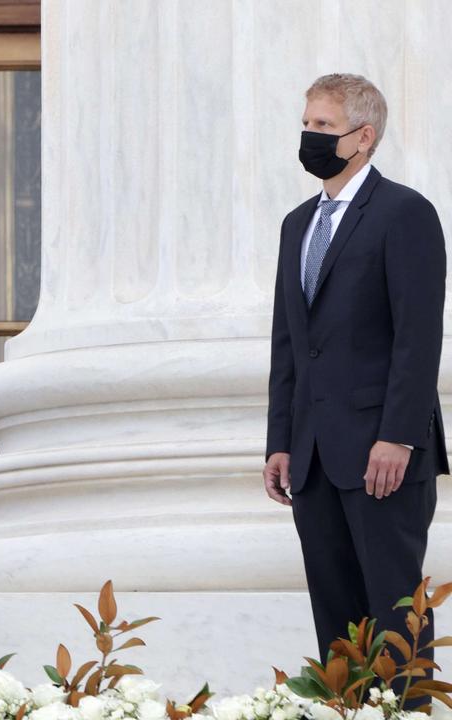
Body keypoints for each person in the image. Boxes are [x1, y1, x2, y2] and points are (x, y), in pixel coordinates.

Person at [264, 74, 447, 666]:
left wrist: (398, 436)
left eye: (323, 126)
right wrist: (280, 443)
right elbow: (290, 344)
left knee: (396, 617)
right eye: (307, 122)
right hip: (313, 457)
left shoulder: (405, 213)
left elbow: (418, 340)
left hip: (382, 453)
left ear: (362, 137)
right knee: (336, 621)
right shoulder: (298, 224)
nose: (309, 135)